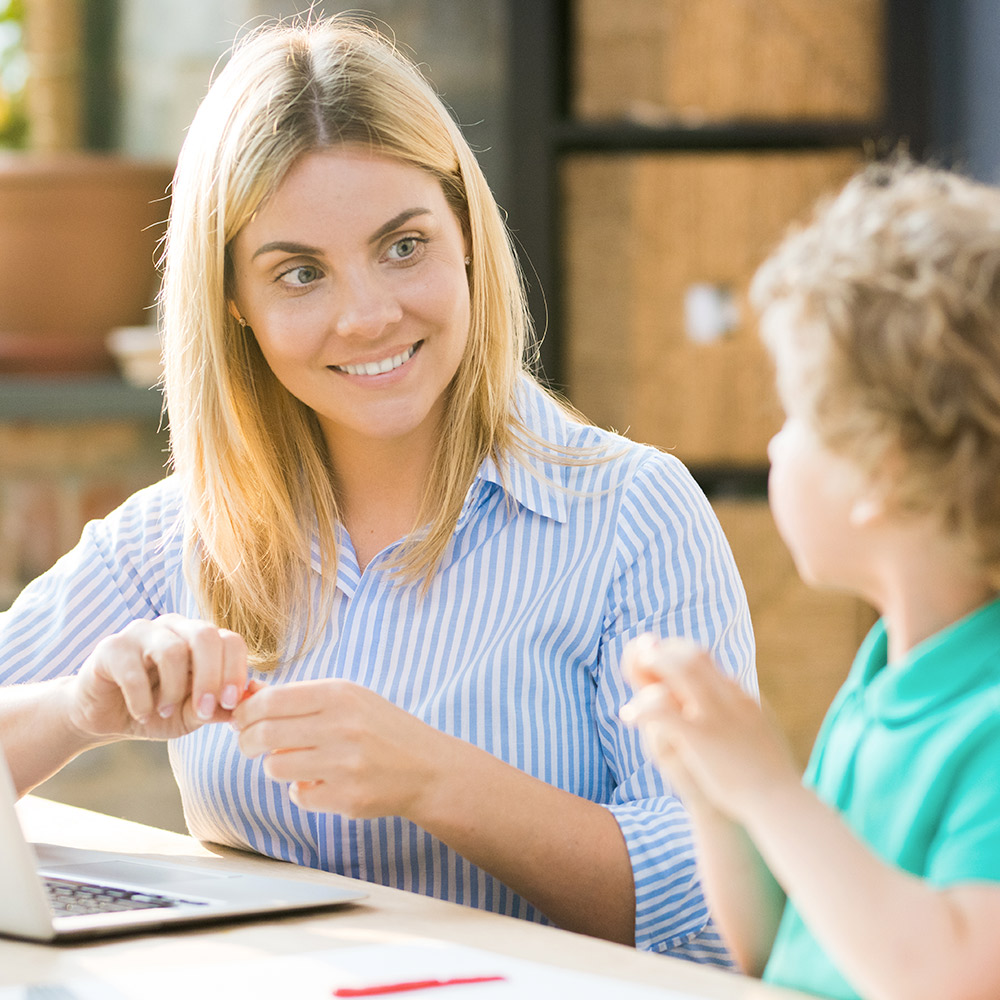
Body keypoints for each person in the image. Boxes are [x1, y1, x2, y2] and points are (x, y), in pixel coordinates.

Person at [0, 15, 756, 959]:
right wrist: (77, 710)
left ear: (467, 232)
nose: (366, 315)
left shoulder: (631, 517)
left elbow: (725, 916)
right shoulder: (179, 534)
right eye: (301, 274)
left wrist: (438, 782)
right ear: (235, 302)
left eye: (403, 246)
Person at [622, 158, 1000, 1000]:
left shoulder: (988, 716)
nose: (774, 448)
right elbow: (778, 951)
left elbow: (950, 978)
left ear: (883, 475)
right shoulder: (883, 677)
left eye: (796, 416)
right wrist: (718, 795)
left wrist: (769, 787)